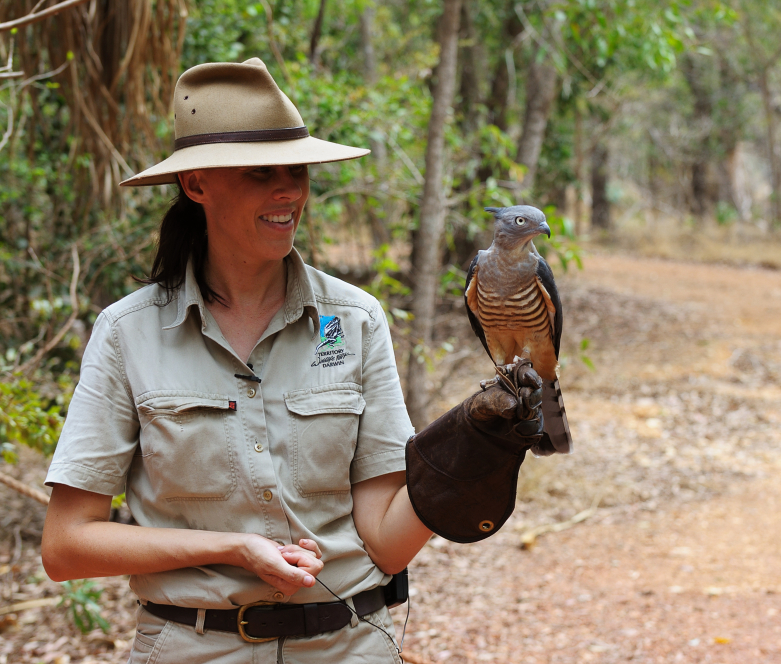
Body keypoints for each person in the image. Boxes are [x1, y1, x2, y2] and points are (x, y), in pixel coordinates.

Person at [40, 58, 544, 663]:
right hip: (190, 649)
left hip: (349, 645)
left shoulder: (355, 320)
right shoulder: (129, 332)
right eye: (260, 173)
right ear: (196, 184)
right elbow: (66, 546)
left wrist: (468, 449)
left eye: (298, 170)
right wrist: (234, 549)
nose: (290, 191)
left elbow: (384, 545)